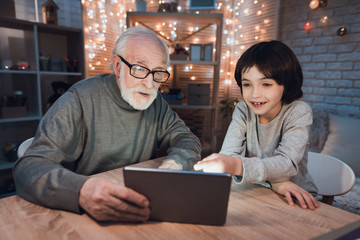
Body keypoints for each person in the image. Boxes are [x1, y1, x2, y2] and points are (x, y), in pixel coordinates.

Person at [13, 27, 201, 222]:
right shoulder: (78, 99)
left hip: (139, 206)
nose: (149, 83)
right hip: (83, 215)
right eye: (139, 68)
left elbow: (187, 139)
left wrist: (174, 164)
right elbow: (27, 167)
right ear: (118, 66)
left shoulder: (157, 104)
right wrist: (80, 191)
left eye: (158, 72)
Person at [194, 40, 319, 210]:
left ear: (287, 84)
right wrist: (274, 183)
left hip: (297, 197)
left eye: (266, 84)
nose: (254, 94)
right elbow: (228, 153)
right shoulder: (243, 109)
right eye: (247, 84)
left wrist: (237, 165)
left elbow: (287, 164)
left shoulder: (299, 111)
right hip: (260, 189)